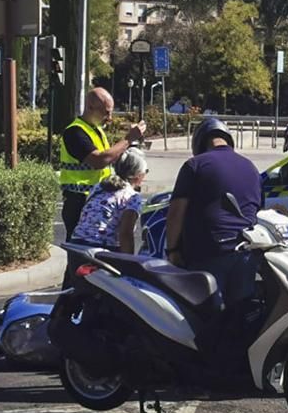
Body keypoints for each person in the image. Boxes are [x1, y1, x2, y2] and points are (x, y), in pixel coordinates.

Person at [164, 118, 262, 307]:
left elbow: (176, 212)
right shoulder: (251, 168)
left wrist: (173, 250)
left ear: (200, 142)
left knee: (204, 319)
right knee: (239, 317)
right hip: (246, 253)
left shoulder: (195, 165)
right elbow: (256, 209)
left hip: (207, 252)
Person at [60, 88, 146, 240]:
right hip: (78, 201)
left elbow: (110, 160)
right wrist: (128, 139)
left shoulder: (96, 130)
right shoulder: (75, 132)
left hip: (97, 200)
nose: (110, 118)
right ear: (90, 107)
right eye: (106, 112)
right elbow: (99, 161)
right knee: (80, 253)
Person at [71, 148, 148, 253]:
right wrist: (130, 263)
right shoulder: (132, 197)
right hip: (102, 249)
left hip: (75, 244)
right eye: (145, 171)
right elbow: (125, 234)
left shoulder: (98, 187)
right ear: (138, 175)